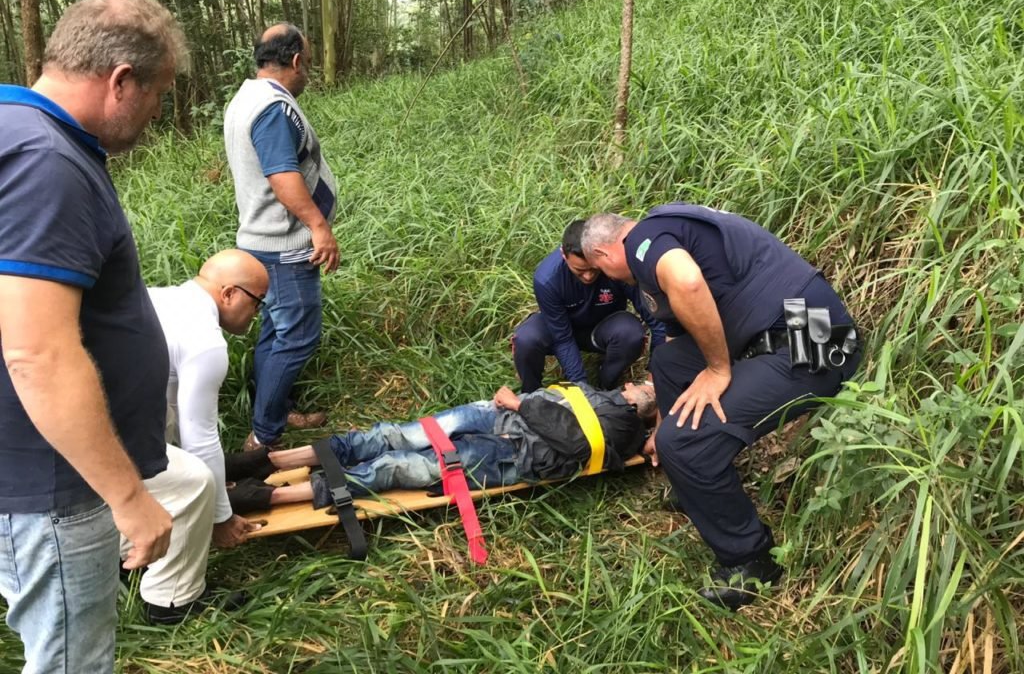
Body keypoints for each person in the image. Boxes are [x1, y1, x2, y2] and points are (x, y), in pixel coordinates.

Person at [0, 0, 185, 671]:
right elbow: (38, 353)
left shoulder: (13, 128)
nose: (158, 113)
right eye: (158, 94)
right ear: (121, 81)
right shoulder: (47, 162)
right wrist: (129, 497)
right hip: (51, 486)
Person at [582, 204, 862, 610]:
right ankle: (694, 482)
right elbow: (678, 347)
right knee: (667, 364)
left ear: (605, 254)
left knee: (685, 441)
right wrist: (660, 422)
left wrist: (717, 370)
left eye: (603, 271)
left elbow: (689, 282)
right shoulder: (671, 227)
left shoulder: (642, 240)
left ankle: (750, 561)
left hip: (818, 345)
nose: (609, 278)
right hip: (793, 329)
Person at [224, 382, 657, 511]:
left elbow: (570, 437)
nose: (634, 383)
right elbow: (557, 401)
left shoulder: (625, 430)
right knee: (393, 434)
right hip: (499, 417)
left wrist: (520, 402)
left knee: (398, 466)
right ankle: (271, 461)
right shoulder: (601, 394)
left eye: (643, 386)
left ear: (645, 407)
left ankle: (271, 495)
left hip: (513, 453)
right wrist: (516, 405)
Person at [223, 23, 339, 452]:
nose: (307, 70)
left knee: (276, 331)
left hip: (261, 239)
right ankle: (264, 439)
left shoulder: (247, 97)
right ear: (294, 61)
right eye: (306, 62)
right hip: (283, 246)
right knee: (297, 335)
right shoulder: (273, 107)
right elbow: (282, 177)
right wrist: (319, 227)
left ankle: (273, 409)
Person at [139, 249, 270, 624]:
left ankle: (129, 552)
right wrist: (221, 517)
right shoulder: (206, 340)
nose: (258, 313)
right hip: (87, 423)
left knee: (163, 452)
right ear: (229, 293)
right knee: (194, 484)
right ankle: (172, 599)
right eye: (257, 301)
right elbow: (200, 438)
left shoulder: (159, 297)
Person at [513, 220, 666, 393]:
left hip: (603, 328)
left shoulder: (615, 266)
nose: (587, 276)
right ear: (564, 255)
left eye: (593, 269)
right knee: (526, 339)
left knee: (630, 334)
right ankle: (530, 395)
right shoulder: (547, 279)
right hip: (560, 330)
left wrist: (655, 375)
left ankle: (606, 384)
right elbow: (562, 338)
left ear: (599, 254)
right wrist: (582, 390)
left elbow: (655, 319)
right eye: (579, 270)